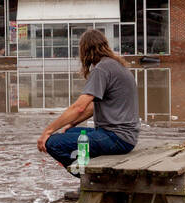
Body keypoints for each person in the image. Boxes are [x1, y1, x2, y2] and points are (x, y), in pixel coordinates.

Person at [37, 28, 138, 176]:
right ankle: (94, 174)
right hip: (127, 137)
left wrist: (47, 132)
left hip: (116, 138)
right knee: (70, 132)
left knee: (53, 143)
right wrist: (71, 124)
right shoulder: (117, 66)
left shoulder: (101, 70)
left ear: (85, 50)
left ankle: (91, 181)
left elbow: (79, 107)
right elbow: (91, 108)